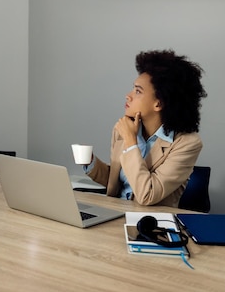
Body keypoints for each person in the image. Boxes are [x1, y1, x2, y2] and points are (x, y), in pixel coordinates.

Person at [85, 50, 207, 207]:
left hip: (150, 223)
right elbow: (117, 181)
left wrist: (130, 141)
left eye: (137, 91)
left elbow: (147, 195)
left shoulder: (187, 144)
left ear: (159, 103)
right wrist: (90, 162)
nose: (128, 96)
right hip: (115, 213)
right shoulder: (124, 128)